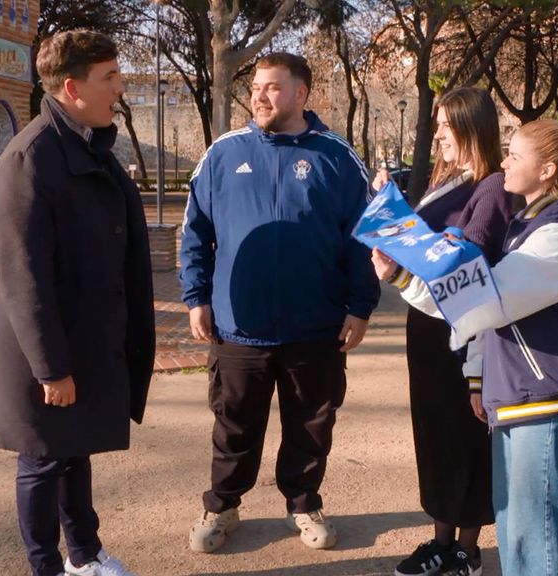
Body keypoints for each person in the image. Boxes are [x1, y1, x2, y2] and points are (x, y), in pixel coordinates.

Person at [384, 119, 558, 576]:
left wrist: (402, 277)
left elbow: (487, 301)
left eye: (514, 156)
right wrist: (478, 379)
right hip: (520, 393)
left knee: (535, 531)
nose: (503, 163)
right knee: (514, 526)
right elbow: (489, 314)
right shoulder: (528, 222)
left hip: (545, 398)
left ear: (547, 170)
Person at [180, 52, 380, 553]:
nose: (260, 97)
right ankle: (222, 506)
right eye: (255, 88)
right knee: (234, 423)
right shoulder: (223, 154)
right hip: (238, 325)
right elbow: (194, 232)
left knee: (311, 423)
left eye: (272, 87)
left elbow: (366, 238)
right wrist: (196, 296)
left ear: (300, 94)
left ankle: (304, 504)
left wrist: (360, 305)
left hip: (316, 325)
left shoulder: (337, 157)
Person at [0, 29, 155, 576]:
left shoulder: (85, 143)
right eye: (110, 78)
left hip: (84, 339)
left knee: (74, 450)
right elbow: (22, 276)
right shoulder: (29, 157)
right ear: (71, 87)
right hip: (46, 351)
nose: (120, 88)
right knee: (42, 460)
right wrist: (51, 367)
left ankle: (84, 554)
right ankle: (45, 567)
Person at [370, 87, 513, 576]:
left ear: (473, 127)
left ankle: (466, 551)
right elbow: (429, 245)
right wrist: (387, 212)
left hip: (462, 332)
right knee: (434, 433)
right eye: (436, 124)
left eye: (446, 125)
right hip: (427, 328)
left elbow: (468, 270)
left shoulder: (491, 187)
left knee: (464, 436)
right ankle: (442, 540)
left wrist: (402, 269)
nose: (438, 134)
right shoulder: (450, 180)